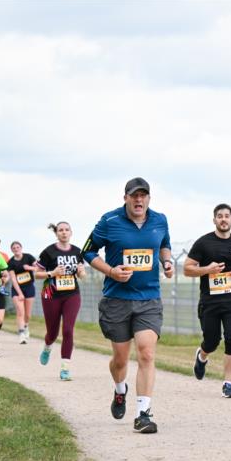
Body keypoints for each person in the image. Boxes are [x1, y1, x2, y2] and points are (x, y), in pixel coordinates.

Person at [82, 177, 174, 433]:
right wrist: (111, 271)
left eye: (143, 196)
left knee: (146, 352)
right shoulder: (109, 221)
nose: (138, 200)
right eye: (134, 196)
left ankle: (143, 413)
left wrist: (167, 263)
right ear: (125, 198)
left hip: (149, 299)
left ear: (149, 199)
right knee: (120, 360)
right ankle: (120, 389)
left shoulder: (160, 220)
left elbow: (164, 244)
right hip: (117, 300)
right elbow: (87, 252)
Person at [184, 203, 231, 397]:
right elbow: (187, 269)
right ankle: (202, 356)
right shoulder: (204, 243)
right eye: (219, 216)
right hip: (210, 301)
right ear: (214, 220)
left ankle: (228, 383)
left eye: (227, 216)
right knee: (212, 341)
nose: (223, 219)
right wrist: (207, 269)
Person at [35, 223, 86, 380]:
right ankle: (47, 347)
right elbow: (36, 274)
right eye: (60, 230)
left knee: (68, 330)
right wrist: (52, 273)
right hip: (51, 295)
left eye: (66, 230)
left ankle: (65, 368)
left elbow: (82, 274)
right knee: (53, 333)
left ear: (71, 232)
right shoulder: (49, 252)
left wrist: (81, 272)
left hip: (72, 294)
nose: (64, 233)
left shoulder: (78, 252)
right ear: (56, 233)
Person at [6, 241, 38, 344]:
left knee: (27, 315)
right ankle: (21, 334)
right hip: (17, 289)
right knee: (20, 312)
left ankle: (26, 325)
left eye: (17, 247)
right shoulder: (10, 263)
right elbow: (13, 280)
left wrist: (30, 268)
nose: (16, 249)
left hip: (29, 287)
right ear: (12, 250)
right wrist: (20, 293)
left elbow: (39, 268)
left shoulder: (28, 257)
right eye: (14, 248)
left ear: (21, 247)